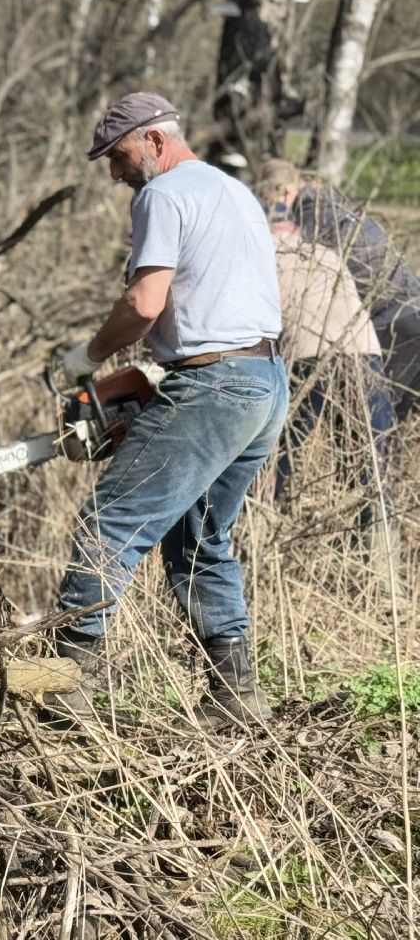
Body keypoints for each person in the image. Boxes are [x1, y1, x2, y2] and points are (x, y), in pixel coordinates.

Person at [45, 92, 288, 728]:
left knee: (108, 524)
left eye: (120, 155)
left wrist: (86, 358)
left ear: (155, 141)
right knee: (200, 537)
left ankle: (67, 685)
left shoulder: (162, 193)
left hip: (214, 386)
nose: (115, 171)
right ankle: (235, 694)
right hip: (263, 381)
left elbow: (145, 302)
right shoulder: (233, 191)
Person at [257, 158, 394, 507]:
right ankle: (373, 548)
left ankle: (258, 530)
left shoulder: (259, 251)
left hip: (307, 356)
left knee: (279, 457)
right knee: (371, 470)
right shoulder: (325, 250)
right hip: (365, 353)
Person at [277, 162, 420, 420]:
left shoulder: (315, 225)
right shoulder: (354, 218)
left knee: (387, 422)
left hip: (392, 327)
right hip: (411, 311)